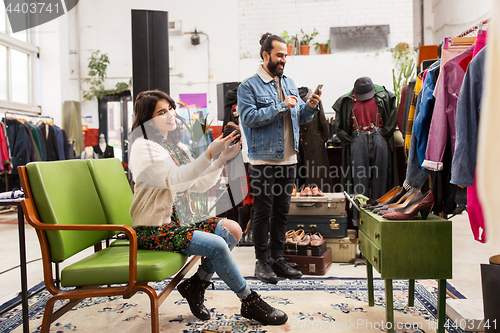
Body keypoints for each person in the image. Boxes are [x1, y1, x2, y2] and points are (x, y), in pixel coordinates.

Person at [128, 90, 288, 325]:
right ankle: (249, 300)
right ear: (147, 120)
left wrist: (221, 159)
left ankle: (197, 284)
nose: (171, 114)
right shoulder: (144, 148)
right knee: (217, 244)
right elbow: (175, 177)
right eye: (161, 112)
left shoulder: (175, 146)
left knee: (232, 229)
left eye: (171, 108)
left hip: (180, 221)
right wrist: (209, 153)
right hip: (153, 228)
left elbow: (199, 184)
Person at [237, 33, 322, 284]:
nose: (284, 59)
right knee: (263, 212)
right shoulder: (248, 86)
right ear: (266, 55)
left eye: (286, 55)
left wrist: (310, 106)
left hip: (289, 159)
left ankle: (277, 258)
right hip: (263, 160)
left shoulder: (290, 83)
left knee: (283, 212)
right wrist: (282, 105)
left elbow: (299, 118)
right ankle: (261, 262)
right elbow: (249, 118)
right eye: (280, 55)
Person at [333, 77, 397, 198]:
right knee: (359, 180)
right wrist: (348, 138)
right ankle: (359, 216)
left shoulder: (384, 96)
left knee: (381, 178)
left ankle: (379, 213)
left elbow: (393, 116)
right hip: (358, 138)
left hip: (379, 136)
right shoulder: (346, 100)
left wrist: (386, 132)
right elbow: (339, 127)